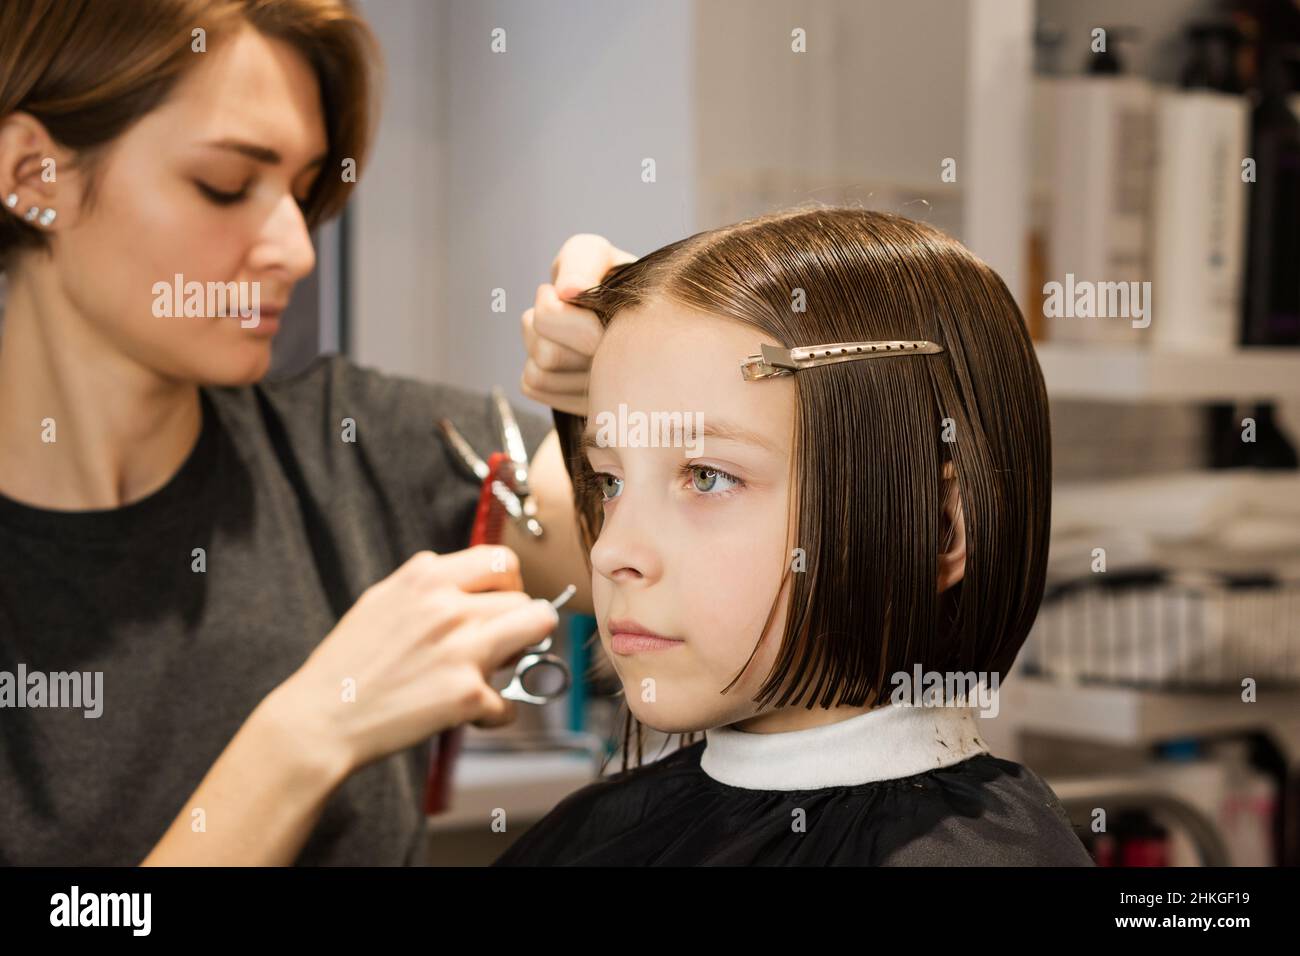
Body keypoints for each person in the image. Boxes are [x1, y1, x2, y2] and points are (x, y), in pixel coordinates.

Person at [0, 0, 628, 865]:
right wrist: (308, 737)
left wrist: (645, 361)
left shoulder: (369, 449)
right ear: (36, 176)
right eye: (225, 185)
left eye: (302, 193)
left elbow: (703, 537)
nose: (296, 250)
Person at [492, 207, 1095, 865]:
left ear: (939, 525)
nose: (610, 553)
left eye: (708, 476)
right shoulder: (593, 833)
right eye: (609, 481)